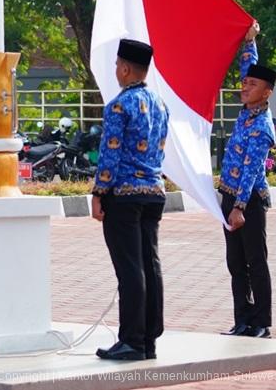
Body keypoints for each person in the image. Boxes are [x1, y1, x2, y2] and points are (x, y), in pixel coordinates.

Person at [92, 39, 169, 361]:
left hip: (124, 195)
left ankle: (132, 340)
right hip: (154, 191)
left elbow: (109, 155)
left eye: (116, 66)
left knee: (130, 269)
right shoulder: (160, 103)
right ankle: (149, 339)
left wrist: (98, 192)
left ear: (125, 68)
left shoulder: (119, 106)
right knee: (151, 265)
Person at [218, 21, 276, 339]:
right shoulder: (246, 110)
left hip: (248, 201)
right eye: (245, 84)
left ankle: (261, 322)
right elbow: (246, 67)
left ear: (266, 93)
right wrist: (250, 41)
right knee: (235, 262)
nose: (244, 87)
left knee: (256, 261)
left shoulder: (262, 125)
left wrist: (239, 207)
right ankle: (242, 319)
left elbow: (253, 169)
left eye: (252, 85)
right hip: (229, 195)